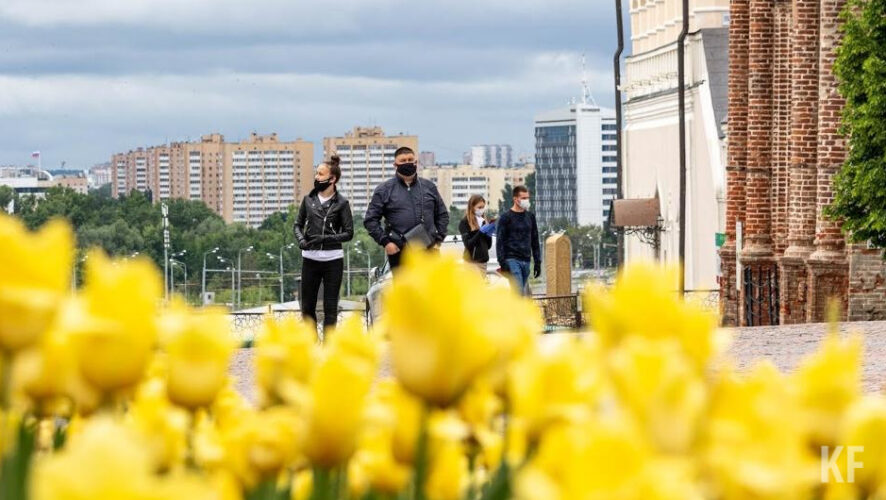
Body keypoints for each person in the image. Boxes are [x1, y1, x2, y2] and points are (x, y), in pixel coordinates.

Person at [293, 155, 353, 334]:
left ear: (332, 179)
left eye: (320, 174)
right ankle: (311, 342)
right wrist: (301, 240)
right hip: (310, 259)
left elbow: (348, 233)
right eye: (316, 173)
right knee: (307, 307)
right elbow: (297, 225)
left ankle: (329, 344)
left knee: (330, 308)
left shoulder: (342, 203)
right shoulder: (308, 200)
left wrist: (324, 239)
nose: (316, 177)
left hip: (333, 260)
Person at [364, 146, 448, 271]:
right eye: (403, 161)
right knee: (404, 284)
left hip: (429, 250)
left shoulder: (429, 187)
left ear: (416, 162)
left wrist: (438, 239)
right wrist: (386, 242)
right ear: (395, 165)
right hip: (399, 252)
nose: (407, 163)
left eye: (410, 160)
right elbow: (370, 220)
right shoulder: (384, 190)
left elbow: (442, 215)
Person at [495, 185, 541, 296]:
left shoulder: (530, 217)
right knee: (518, 291)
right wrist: (502, 262)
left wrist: (537, 262)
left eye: (527, 198)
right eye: (523, 198)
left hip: (526, 260)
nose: (526, 200)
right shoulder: (506, 217)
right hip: (512, 259)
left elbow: (535, 239)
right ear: (515, 199)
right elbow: (500, 241)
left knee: (519, 293)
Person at [459, 194, 493, 274]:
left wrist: (489, 234)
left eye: (483, 207)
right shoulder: (464, 222)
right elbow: (468, 244)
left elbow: (488, 246)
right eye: (479, 207)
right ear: (472, 207)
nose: (482, 210)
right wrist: (480, 232)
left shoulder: (484, 221)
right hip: (471, 263)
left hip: (483, 262)